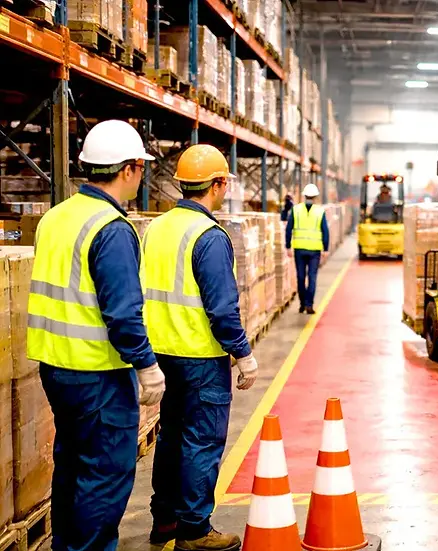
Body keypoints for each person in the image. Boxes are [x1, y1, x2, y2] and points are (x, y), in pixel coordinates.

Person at [27, 119, 164, 551]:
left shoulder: (55, 217)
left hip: (55, 367)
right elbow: (123, 313)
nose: (141, 175)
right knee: (105, 474)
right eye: (141, 167)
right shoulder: (111, 228)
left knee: (72, 463)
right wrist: (147, 367)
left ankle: (67, 546)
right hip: (97, 373)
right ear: (128, 169)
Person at [141, 143, 257, 551]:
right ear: (219, 183)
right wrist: (243, 354)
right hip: (199, 356)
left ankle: (166, 520)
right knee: (202, 439)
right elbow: (222, 309)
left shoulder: (156, 227)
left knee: (171, 436)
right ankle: (194, 529)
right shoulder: (208, 236)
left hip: (160, 352)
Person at [286, 183, 330, 314]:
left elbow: (289, 229)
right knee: (312, 277)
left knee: (300, 277)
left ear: (304, 196)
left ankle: (302, 303)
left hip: (299, 249)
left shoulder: (296, 210)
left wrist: (288, 246)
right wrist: (326, 249)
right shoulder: (320, 211)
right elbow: (325, 231)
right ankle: (309, 304)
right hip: (314, 251)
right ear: (315, 197)